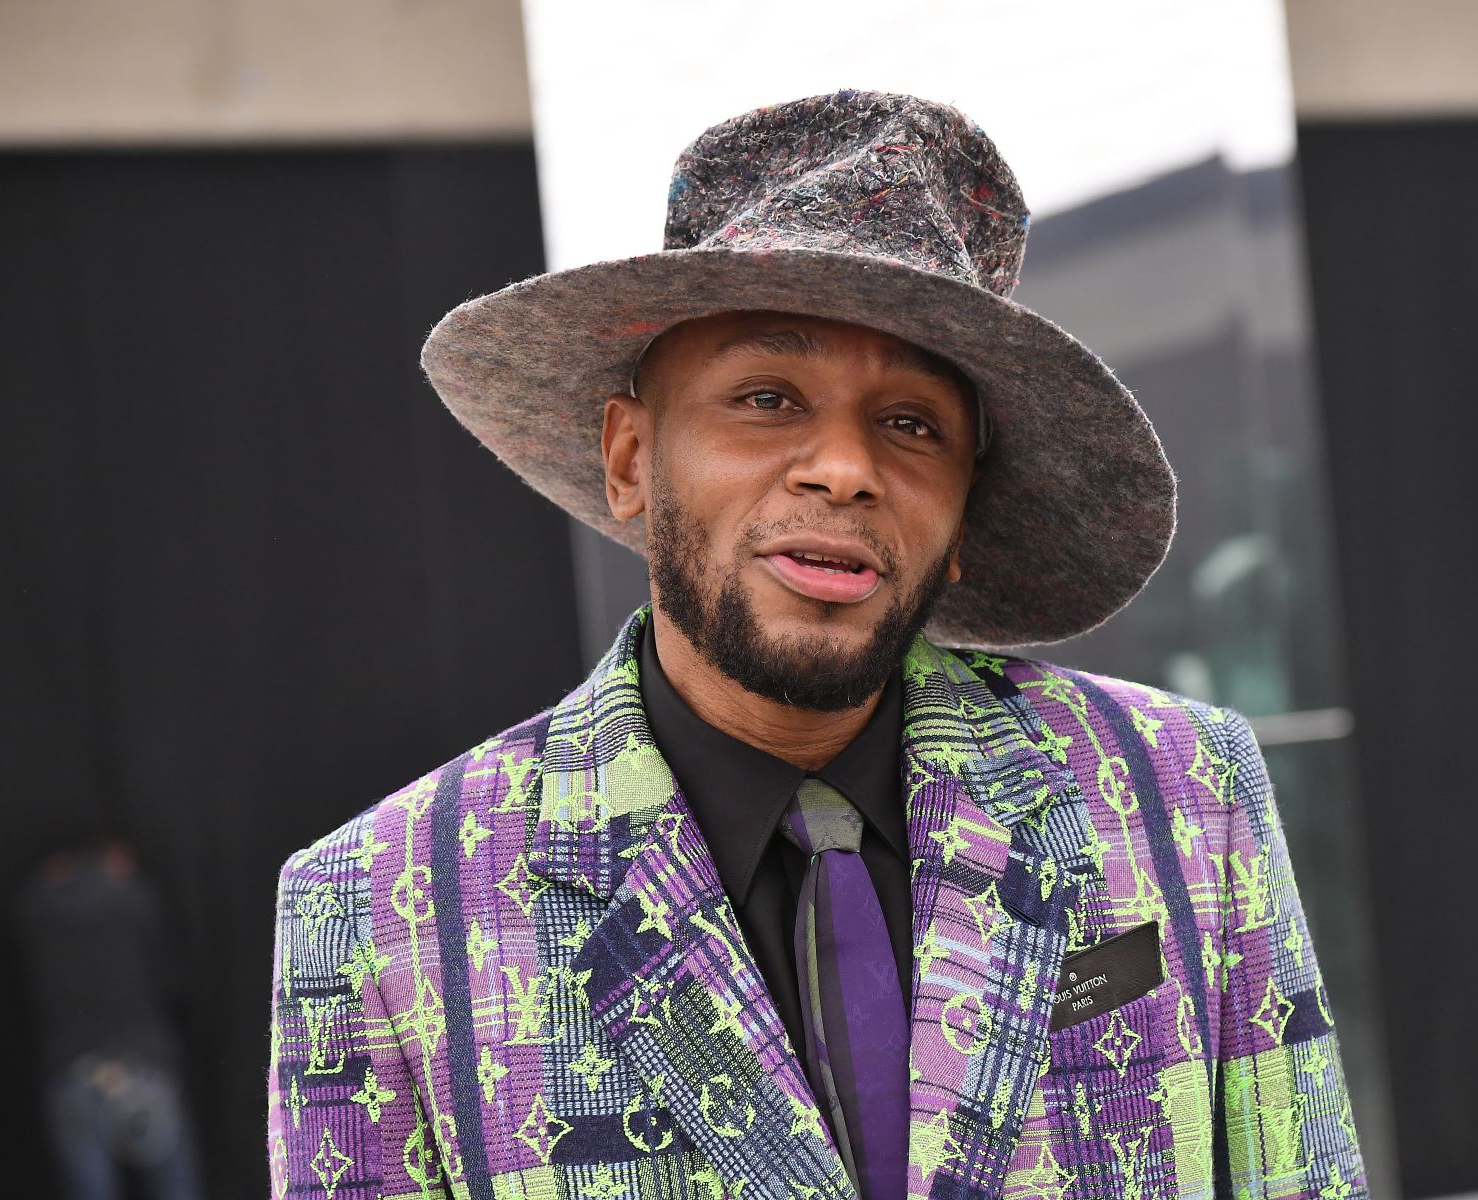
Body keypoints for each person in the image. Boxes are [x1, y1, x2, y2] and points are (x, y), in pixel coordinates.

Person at [267, 90, 1366, 1200]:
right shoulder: (377, 903)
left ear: (960, 526)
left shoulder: (1184, 793)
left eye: (911, 424)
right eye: (766, 396)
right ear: (631, 459)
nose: (844, 468)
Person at [18, 835, 205, 1200]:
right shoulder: (136, 904)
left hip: (74, 1070)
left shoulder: (38, 910)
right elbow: (177, 979)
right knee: (177, 1192)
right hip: (144, 1065)